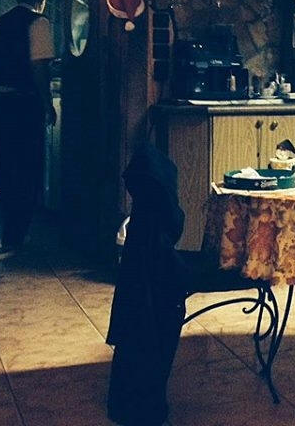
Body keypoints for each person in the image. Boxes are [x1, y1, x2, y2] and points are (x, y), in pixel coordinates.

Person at [107, 144, 188, 426]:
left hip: (138, 294)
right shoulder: (163, 220)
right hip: (157, 295)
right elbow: (176, 226)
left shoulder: (142, 224)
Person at [0, 0, 56, 250]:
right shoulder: (39, 23)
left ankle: (8, 229)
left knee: (6, 165)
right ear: (40, 0)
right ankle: (18, 232)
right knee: (28, 167)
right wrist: (47, 103)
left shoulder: (0, 23)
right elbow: (39, 68)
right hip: (25, 104)